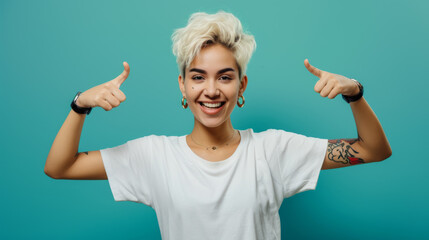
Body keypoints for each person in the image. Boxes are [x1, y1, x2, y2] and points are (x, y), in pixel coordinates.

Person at [44, 11, 392, 240]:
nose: (211, 90)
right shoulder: (154, 155)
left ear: (241, 85)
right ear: (182, 84)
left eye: (225, 77)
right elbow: (60, 167)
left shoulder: (272, 150)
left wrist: (355, 94)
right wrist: (79, 106)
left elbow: (374, 149)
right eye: (198, 77)